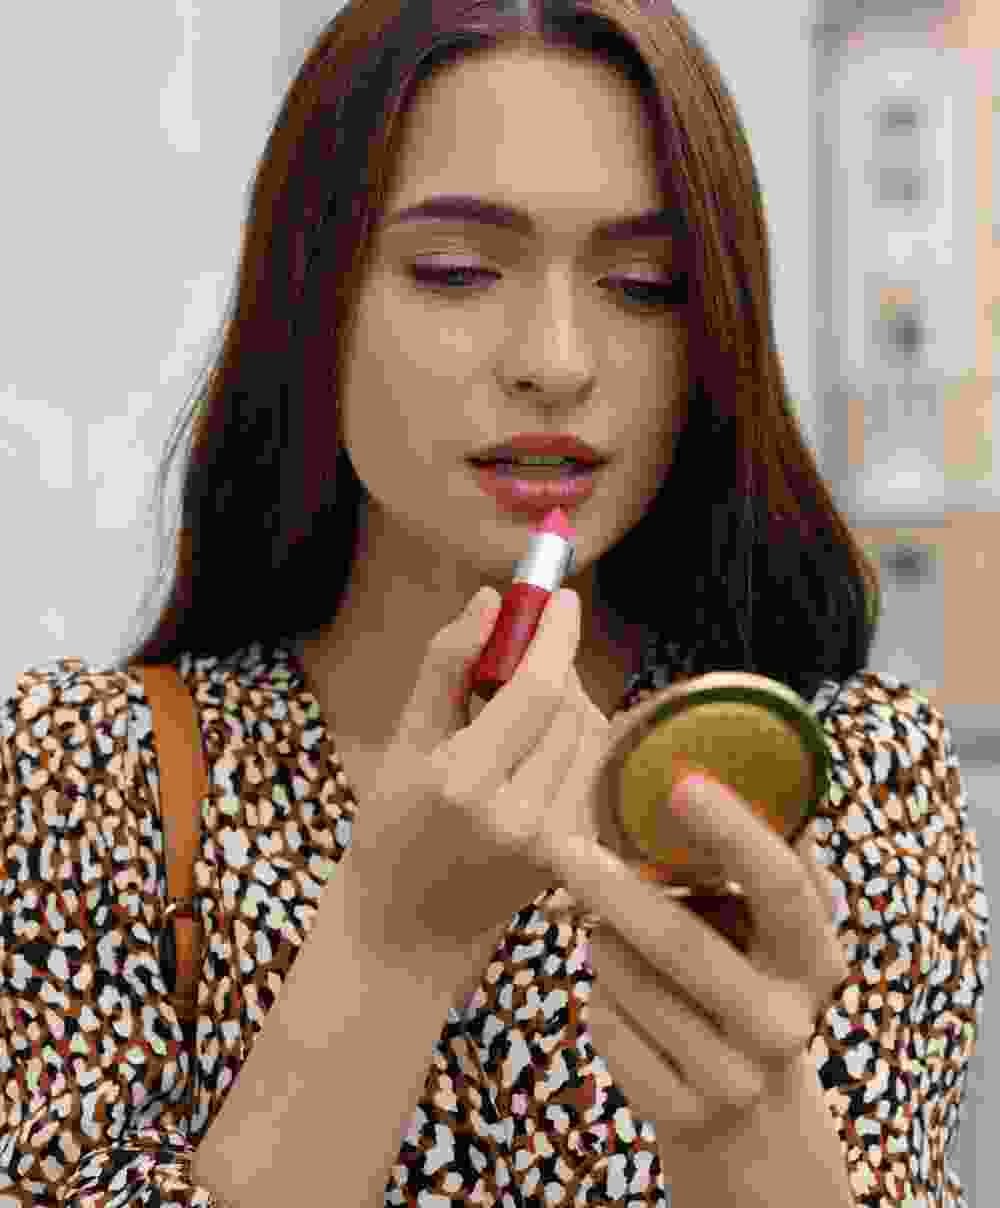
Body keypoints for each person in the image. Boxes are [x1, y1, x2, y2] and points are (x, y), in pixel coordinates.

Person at [0, 2, 990, 1206]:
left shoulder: (842, 776)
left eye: (645, 285)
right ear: (310, 300)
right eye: (456, 273)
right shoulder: (89, 776)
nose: (557, 360)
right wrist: (388, 944)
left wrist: (745, 1115)